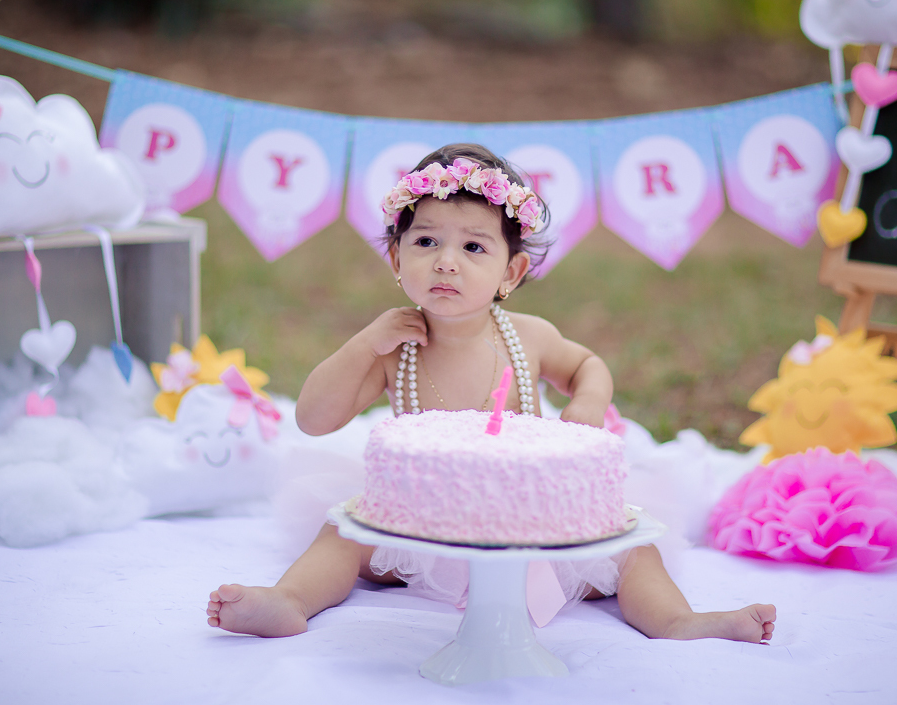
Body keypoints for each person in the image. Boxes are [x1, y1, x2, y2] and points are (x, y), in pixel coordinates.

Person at [206, 143, 776, 643]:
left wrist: (587, 403)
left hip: (532, 521)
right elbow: (313, 419)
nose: (446, 261)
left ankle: (677, 620)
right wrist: (362, 345)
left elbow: (588, 365)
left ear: (512, 271)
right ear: (396, 258)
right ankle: (291, 601)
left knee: (631, 549)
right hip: (425, 526)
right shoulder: (396, 347)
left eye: (474, 248)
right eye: (426, 241)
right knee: (342, 532)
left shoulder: (527, 337)